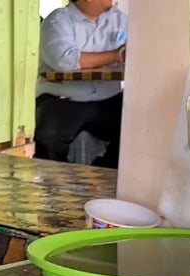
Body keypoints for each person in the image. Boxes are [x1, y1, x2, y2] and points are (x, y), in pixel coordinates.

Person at [35, 0, 128, 169]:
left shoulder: (119, 19)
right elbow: (65, 60)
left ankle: (100, 177)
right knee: (49, 140)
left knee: (138, 133)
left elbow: (135, 52)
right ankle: (59, 187)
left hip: (108, 97)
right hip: (64, 99)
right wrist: (117, 55)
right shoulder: (58, 21)